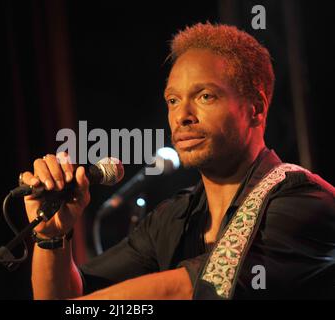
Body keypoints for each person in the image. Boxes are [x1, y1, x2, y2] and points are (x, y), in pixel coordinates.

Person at [20, 23, 335, 300]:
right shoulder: (171, 219)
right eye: (173, 100)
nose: (182, 116)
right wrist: (51, 237)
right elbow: (70, 298)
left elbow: (201, 288)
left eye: (205, 96)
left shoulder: (305, 201)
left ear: (255, 107)